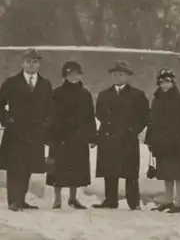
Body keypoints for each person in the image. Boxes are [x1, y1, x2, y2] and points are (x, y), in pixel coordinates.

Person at [0, 49, 54, 212]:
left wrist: (46, 123)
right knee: (15, 166)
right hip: (15, 131)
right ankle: (13, 201)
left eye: (35, 61)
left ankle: (21, 199)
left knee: (28, 166)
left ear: (39, 64)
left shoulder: (45, 84)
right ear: (22, 63)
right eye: (29, 61)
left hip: (35, 132)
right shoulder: (11, 82)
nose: (32, 65)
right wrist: (6, 120)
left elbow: (50, 107)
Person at [92, 60, 149, 210]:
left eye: (121, 74)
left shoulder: (137, 95)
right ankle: (110, 200)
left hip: (127, 138)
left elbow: (144, 116)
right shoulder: (104, 94)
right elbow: (99, 112)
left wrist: (132, 130)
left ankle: (133, 202)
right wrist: (109, 125)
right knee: (109, 170)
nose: (118, 77)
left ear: (127, 76)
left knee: (130, 171)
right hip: (109, 137)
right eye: (115, 74)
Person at [46, 61, 97, 209]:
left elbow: (89, 116)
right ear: (64, 76)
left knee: (76, 167)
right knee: (57, 168)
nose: (74, 77)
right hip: (59, 136)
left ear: (81, 75)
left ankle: (73, 198)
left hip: (78, 137)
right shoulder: (56, 93)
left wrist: (92, 137)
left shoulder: (85, 94)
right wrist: (48, 136)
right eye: (70, 74)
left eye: (76, 74)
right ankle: (57, 199)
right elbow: (50, 115)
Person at [145, 69, 180, 214]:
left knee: (178, 173)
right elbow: (152, 121)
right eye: (162, 82)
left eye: (168, 81)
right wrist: (150, 140)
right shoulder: (157, 99)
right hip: (161, 141)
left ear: (173, 82)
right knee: (166, 172)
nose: (165, 84)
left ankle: (178, 202)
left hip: (178, 141)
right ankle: (168, 199)